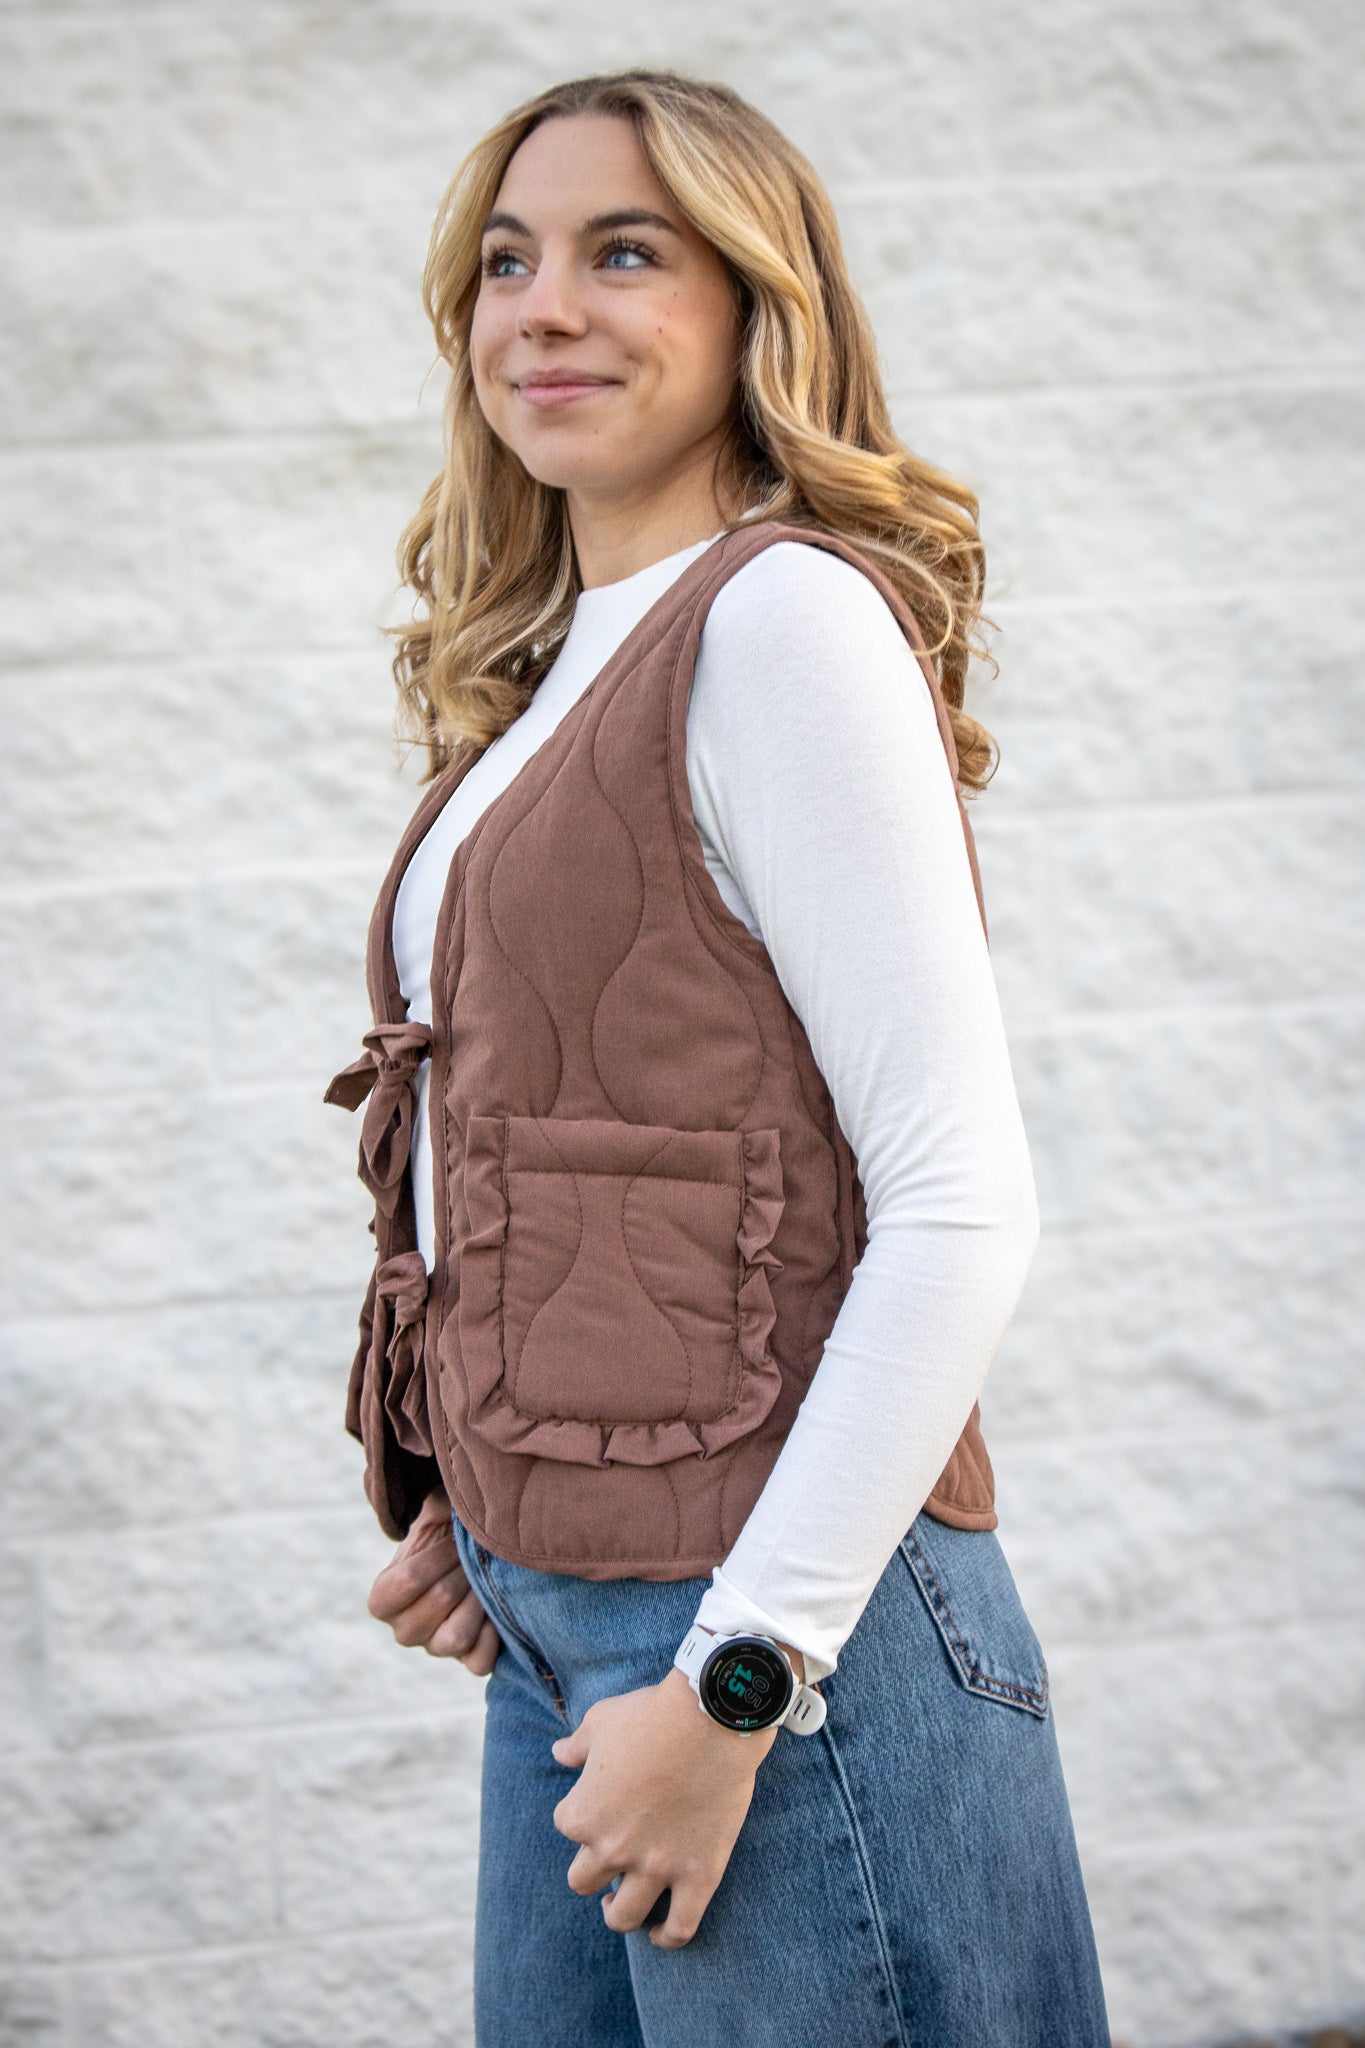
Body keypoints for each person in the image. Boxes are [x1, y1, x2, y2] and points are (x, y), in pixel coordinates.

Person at [329, 66, 1110, 2048]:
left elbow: (957, 1203)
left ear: (756, 303)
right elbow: (581, 1151)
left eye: (622, 253)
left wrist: (738, 1682)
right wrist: (489, 1493)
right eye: (507, 261)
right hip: (572, 1626)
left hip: (779, 1665)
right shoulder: (556, 670)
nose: (544, 309)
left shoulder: (777, 626)